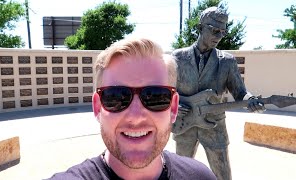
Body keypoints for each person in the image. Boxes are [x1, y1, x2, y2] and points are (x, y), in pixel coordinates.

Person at [48, 38, 216, 179]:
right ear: (98, 107)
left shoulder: (201, 177)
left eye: (156, 96)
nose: (135, 117)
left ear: (173, 108)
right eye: (116, 96)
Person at [171, 7, 266, 180]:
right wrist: (175, 102)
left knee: (223, 175)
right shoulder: (178, 57)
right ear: (200, 27)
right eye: (215, 30)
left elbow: (240, 92)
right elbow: (166, 89)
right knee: (180, 174)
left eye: (223, 32)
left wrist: (250, 99)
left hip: (215, 126)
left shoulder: (227, 61)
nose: (219, 36)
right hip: (184, 125)